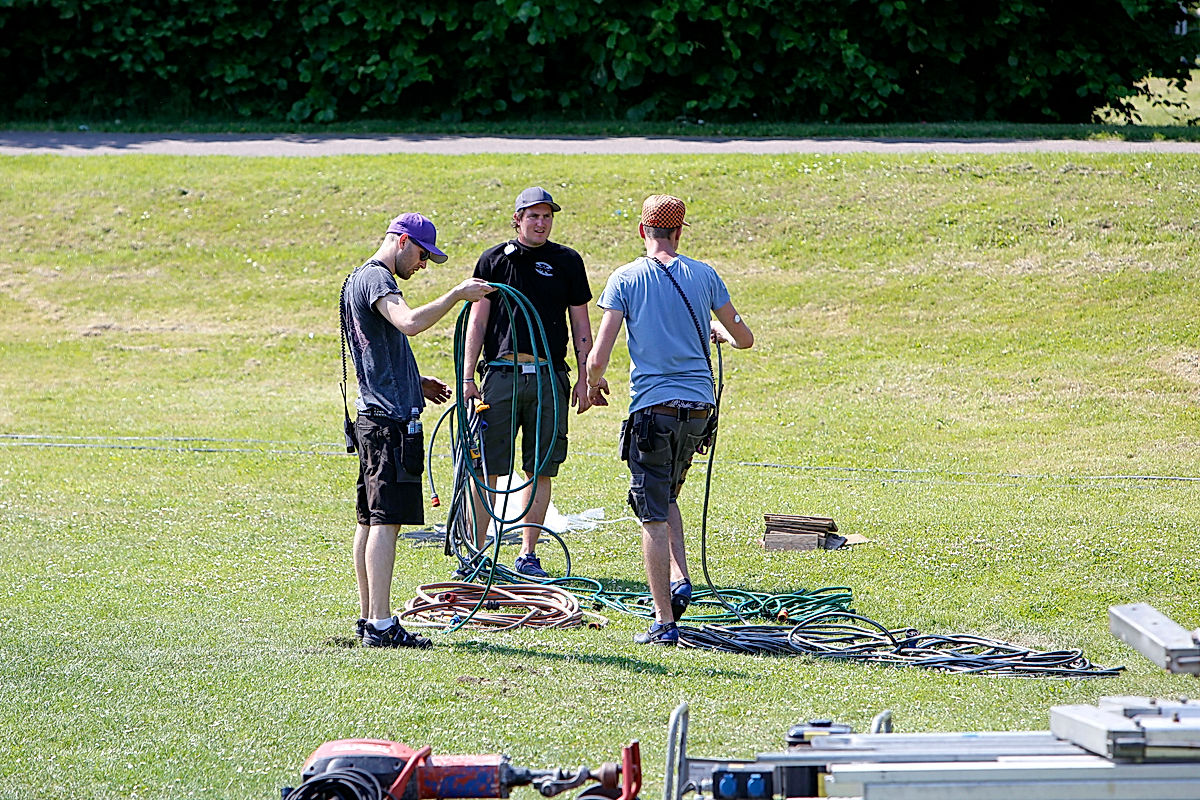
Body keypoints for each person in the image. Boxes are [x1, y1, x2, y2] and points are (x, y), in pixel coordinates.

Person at [586, 195, 754, 646]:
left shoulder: (625, 278)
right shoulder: (705, 275)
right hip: (698, 411)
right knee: (667, 495)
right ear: (679, 232)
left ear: (643, 231)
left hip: (653, 410)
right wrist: (719, 332)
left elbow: (598, 356)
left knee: (651, 515)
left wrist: (593, 383)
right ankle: (680, 579)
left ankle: (664, 621)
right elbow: (745, 338)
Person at [342, 212, 493, 647]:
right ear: (403, 241)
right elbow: (408, 322)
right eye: (423, 255)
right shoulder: (378, 279)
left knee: (370, 519)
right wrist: (457, 295)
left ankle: (368, 617)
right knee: (385, 521)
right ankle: (381, 625)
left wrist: (415, 380)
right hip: (388, 423)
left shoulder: (357, 279)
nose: (423, 265)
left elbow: (378, 349)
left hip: (373, 417)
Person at [461, 187, 603, 578]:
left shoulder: (567, 261)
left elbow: (581, 325)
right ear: (518, 219)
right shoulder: (493, 260)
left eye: (547, 216)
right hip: (500, 376)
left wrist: (586, 378)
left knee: (539, 468)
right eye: (533, 216)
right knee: (486, 466)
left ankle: (528, 554)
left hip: (548, 376)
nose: (541, 223)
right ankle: (476, 554)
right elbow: (477, 321)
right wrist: (468, 376)